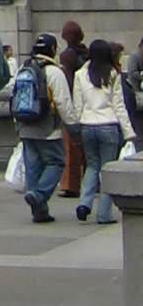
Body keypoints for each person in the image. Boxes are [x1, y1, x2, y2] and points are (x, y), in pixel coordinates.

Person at [71, 38, 134, 224]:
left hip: (87, 125)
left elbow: (77, 105)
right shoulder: (113, 74)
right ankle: (104, 214)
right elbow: (119, 105)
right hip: (108, 124)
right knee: (107, 169)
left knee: (91, 166)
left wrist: (76, 126)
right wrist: (128, 131)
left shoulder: (80, 75)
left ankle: (84, 203)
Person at [15, 34, 74, 224]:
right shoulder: (54, 72)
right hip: (48, 128)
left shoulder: (23, 68)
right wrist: (73, 125)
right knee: (56, 162)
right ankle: (39, 195)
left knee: (33, 167)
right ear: (53, 49)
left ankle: (39, 212)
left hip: (25, 126)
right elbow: (63, 102)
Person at [59, 20, 87, 197]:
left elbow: (67, 81)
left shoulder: (67, 55)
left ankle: (71, 184)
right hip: (86, 103)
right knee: (85, 149)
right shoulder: (86, 53)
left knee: (70, 147)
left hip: (72, 103)